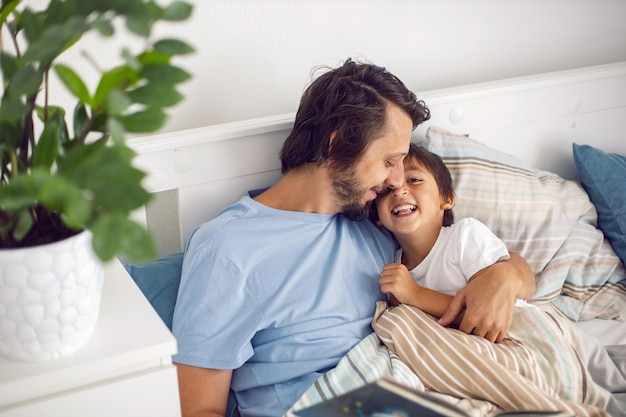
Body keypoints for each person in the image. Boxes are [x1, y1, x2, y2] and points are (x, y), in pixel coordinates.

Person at [171, 59, 535, 417]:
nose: (395, 180)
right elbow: (200, 408)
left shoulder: (375, 221)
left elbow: (493, 263)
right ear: (338, 144)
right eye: (389, 161)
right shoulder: (228, 250)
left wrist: (502, 276)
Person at [372, 143, 624, 415]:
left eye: (414, 179)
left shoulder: (464, 237)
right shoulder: (393, 265)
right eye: (387, 189)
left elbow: (485, 313)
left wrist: (415, 296)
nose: (399, 189)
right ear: (376, 216)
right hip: (470, 348)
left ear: (447, 199)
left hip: (516, 329)